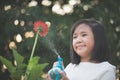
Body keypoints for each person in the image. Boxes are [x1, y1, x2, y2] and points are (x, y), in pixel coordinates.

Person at [48, 19, 116, 80]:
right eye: (75, 37)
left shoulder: (106, 69)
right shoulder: (70, 67)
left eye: (84, 35)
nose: (78, 40)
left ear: (98, 39)